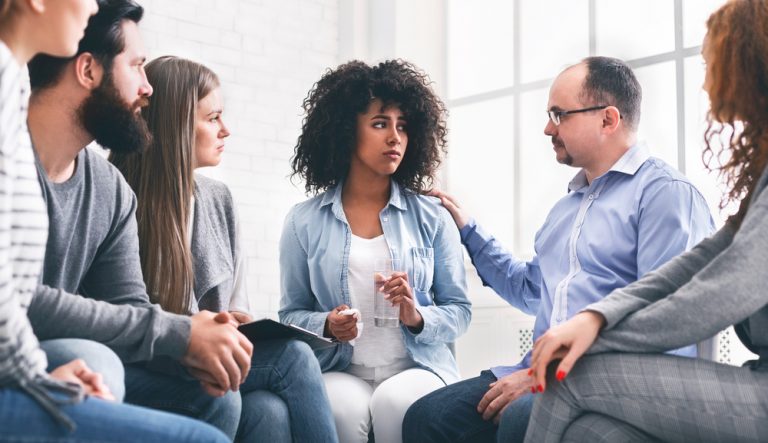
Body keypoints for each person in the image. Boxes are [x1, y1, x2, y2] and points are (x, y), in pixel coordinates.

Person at [403, 56, 715, 443]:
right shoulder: (566, 210)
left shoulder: (665, 195)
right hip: (538, 370)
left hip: (619, 385)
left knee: (522, 417)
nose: (548, 128)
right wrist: (468, 229)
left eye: (559, 114)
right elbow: (530, 289)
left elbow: (660, 324)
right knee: (427, 418)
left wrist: (546, 378)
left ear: (608, 119)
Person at [526, 1, 768, 441]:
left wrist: (599, 339)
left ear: (749, 67)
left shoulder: (664, 191)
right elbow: (695, 264)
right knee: (590, 432)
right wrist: (595, 317)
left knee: (565, 378)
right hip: (757, 377)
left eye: (715, 66)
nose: (707, 84)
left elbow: (722, 293)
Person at [0, 0, 228, 441]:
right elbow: (17, 296)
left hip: (28, 356)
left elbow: (128, 308)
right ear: (88, 70)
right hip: (33, 353)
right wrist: (179, 333)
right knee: (96, 359)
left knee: (219, 395)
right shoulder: (8, 121)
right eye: (137, 66)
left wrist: (198, 345)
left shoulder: (111, 189)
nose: (148, 87)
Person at [109, 55, 338, 443]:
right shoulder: (122, 196)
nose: (226, 130)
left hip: (203, 354)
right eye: (213, 118)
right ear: (177, 125)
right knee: (293, 358)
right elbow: (123, 315)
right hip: (148, 360)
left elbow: (234, 303)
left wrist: (236, 319)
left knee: (268, 410)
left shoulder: (219, 200)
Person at [280, 59, 471, 443]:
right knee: (339, 410)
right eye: (381, 123)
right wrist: (327, 325)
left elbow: (460, 311)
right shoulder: (303, 221)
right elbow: (290, 315)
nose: (395, 137)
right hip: (340, 369)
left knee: (393, 404)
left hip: (416, 367)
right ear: (346, 130)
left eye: (403, 125)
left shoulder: (432, 217)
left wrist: (416, 316)